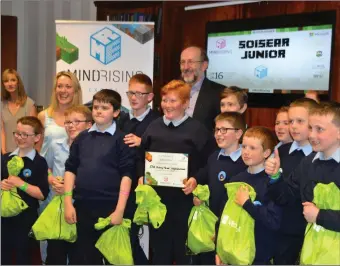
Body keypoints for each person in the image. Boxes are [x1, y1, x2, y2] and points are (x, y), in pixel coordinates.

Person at [137, 80, 216, 265]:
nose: (167, 105)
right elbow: (140, 157)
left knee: (183, 252)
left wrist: (196, 179)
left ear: (186, 103)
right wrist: (141, 175)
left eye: (173, 101)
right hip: (157, 202)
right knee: (159, 251)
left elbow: (210, 162)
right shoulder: (153, 127)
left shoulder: (197, 130)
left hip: (185, 201)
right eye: (165, 100)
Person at [63, 89, 136, 265]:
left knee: (113, 259)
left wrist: (119, 211)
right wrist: (67, 203)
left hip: (111, 208)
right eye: (96, 107)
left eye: (104, 107)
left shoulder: (122, 140)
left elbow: (127, 176)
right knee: (86, 258)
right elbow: (70, 169)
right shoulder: (82, 137)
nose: (98, 111)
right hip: (83, 207)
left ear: (116, 112)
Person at [265, 102, 340, 260]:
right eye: (311, 128)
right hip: (313, 253)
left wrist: (320, 216)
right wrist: (275, 176)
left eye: (319, 129)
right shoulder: (308, 162)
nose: (312, 135)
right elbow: (286, 196)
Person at [216, 126, 281, 265]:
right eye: (244, 146)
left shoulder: (271, 184)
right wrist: (220, 250)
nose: (246, 152)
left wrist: (247, 204)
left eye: (252, 148)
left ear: (266, 153)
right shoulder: (235, 180)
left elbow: (273, 221)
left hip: (259, 256)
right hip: (232, 254)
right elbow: (224, 216)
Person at [193, 112, 247, 264]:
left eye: (224, 130)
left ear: (238, 133)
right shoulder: (214, 157)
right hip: (211, 223)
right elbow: (207, 181)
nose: (219, 134)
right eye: (217, 130)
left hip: (232, 225)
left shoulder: (245, 161)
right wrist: (200, 196)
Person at [41, 105, 92, 265]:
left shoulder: (93, 149)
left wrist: (70, 187)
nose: (72, 126)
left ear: (89, 124)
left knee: (79, 254)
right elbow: (45, 166)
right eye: (68, 122)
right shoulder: (56, 144)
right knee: (55, 253)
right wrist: (51, 179)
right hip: (57, 207)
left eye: (77, 122)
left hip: (81, 208)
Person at [270, 98, 318, 265]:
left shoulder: (319, 156)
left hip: (312, 230)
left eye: (300, 121)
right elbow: (275, 193)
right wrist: (274, 176)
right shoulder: (280, 152)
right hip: (283, 229)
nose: (294, 126)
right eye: (291, 121)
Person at [119, 73, 160, 264]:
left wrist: (142, 143)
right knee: (125, 234)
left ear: (150, 97)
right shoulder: (122, 120)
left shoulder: (157, 122)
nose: (134, 98)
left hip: (147, 187)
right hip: (122, 185)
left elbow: (165, 152)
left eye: (139, 94)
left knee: (148, 239)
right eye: (131, 93)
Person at [1, 116, 49, 265]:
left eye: (25, 135)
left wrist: (21, 184)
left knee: (24, 257)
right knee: (5, 256)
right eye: (17, 133)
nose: (19, 138)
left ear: (37, 137)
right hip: (4, 219)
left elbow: (41, 194)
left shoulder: (39, 162)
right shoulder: (6, 158)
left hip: (26, 219)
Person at [180, 46, 224, 133]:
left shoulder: (220, 93)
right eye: (182, 62)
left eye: (191, 62)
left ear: (204, 65)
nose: (185, 67)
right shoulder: (172, 90)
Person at [37, 71, 82, 156]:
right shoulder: (43, 116)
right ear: (55, 90)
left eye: (68, 87)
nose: (63, 90)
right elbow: (37, 148)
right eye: (59, 86)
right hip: (47, 168)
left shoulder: (84, 119)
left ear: (75, 91)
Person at [1, 69, 37, 154]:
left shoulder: (29, 104)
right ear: (3, 85)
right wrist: (3, 151)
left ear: (18, 83)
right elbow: (2, 131)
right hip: (7, 153)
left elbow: (35, 132)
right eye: (6, 81)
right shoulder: (1, 105)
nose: (10, 84)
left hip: (26, 153)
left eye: (13, 80)